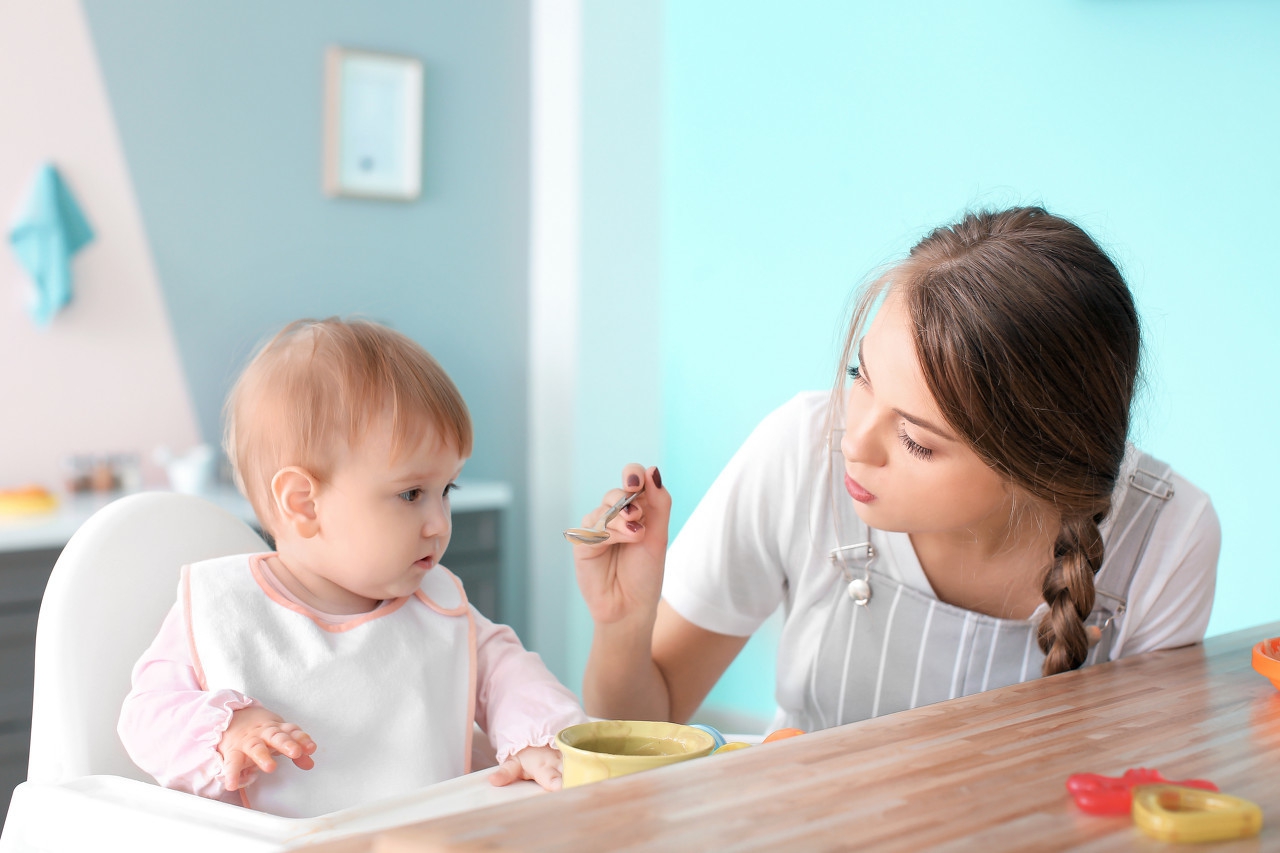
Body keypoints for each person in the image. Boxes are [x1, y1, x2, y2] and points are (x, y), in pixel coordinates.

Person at [573, 206, 1220, 733]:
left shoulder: (1167, 534)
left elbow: (1145, 793)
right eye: (861, 376)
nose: (855, 442)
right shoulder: (800, 449)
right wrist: (623, 625)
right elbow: (637, 730)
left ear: (1040, 465)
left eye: (916, 440)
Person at [119, 318, 586, 818]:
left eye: (446, 490)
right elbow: (146, 716)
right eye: (411, 494)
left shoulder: (439, 604)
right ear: (304, 503)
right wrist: (228, 730)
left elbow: (512, 678)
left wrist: (535, 744)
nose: (438, 524)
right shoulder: (225, 608)